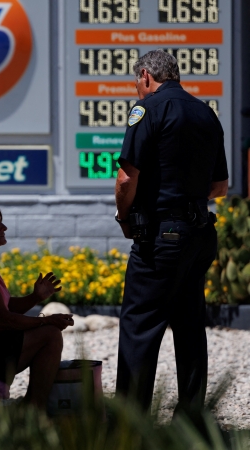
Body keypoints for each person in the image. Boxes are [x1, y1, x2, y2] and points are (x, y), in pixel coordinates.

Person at [114, 49, 228, 424]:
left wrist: (124, 216)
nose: (137, 89)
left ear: (146, 75)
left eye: (136, 82)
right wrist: (185, 198)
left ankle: (130, 424)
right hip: (199, 235)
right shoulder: (206, 113)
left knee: (139, 325)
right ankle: (192, 418)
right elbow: (220, 185)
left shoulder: (148, 110)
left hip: (162, 237)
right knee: (190, 324)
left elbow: (127, 178)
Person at [0, 201, 73, 408]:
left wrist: (35, 297)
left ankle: (32, 407)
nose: (4, 228)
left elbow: (4, 307)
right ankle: (35, 410)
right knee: (50, 334)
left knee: (48, 330)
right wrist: (46, 321)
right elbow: (3, 319)